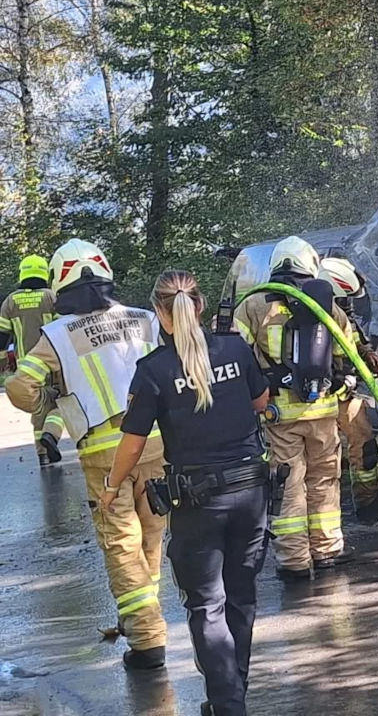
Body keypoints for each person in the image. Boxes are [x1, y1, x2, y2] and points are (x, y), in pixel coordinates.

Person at [101, 270, 271, 716]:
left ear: (161, 313)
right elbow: (260, 401)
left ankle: (228, 704)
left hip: (199, 502)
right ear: (198, 307)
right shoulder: (235, 348)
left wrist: (111, 485)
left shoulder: (154, 370)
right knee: (241, 597)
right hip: (251, 492)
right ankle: (234, 694)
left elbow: (134, 443)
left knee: (207, 606)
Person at [7, 239, 167, 670]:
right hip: (154, 444)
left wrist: (51, 403)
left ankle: (147, 639)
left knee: (121, 542)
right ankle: (143, 616)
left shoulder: (57, 336)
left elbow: (20, 388)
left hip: (103, 453)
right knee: (151, 535)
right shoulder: (145, 320)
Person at [233, 236, 354, 580]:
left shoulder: (253, 304)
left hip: (279, 414)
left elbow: (229, 352)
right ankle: (327, 550)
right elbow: (349, 353)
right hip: (323, 412)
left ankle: (295, 561)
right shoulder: (326, 305)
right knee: (324, 481)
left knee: (288, 486)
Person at [317, 256, 378, 524]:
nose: (348, 305)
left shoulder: (339, 313)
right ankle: (322, 516)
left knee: (365, 446)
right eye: (344, 299)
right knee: (323, 458)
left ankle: (368, 502)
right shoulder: (309, 315)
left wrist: (368, 356)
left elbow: (353, 338)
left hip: (344, 395)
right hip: (315, 400)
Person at [0, 254, 65, 465]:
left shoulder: (10, 301)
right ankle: (51, 434)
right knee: (62, 401)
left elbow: (2, 336)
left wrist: (3, 361)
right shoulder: (51, 297)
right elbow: (64, 329)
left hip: (27, 367)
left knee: (39, 407)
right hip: (53, 362)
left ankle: (42, 454)